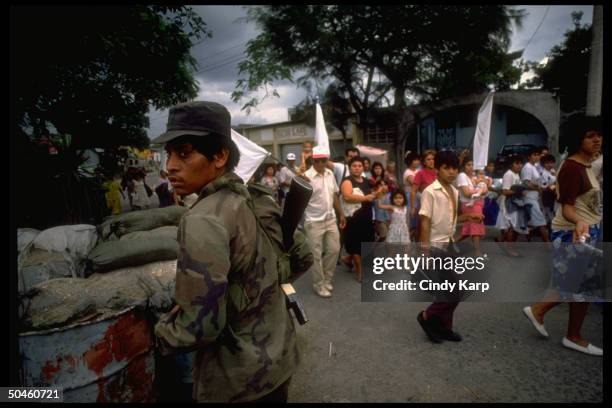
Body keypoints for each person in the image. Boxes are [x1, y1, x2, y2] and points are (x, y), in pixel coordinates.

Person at [152, 101, 308, 402]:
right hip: (279, 361)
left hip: (236, 380)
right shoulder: (258, 199)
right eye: (168, 153)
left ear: (220, 155)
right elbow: (302, 257)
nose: (170, 165)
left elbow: (200, 328)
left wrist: (157, 335)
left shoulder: (203, 218)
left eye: (184, 153)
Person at [523, 115, 603, 356]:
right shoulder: (571, 167)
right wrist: (579, 221)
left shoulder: (589, 164)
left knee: (586, 286)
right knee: (575, 284)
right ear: (578, 139)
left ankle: (573, 334)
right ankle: (540, 312)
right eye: (590, 136)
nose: (597, 139)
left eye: (599, 135)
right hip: (572, 231)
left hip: (587, 230)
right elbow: (566, 206)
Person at [416, 150, 482, 343]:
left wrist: (469, 216)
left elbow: (451, 220)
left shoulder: (453, 191)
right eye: (446, 168)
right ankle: (427, 316)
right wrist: (425, 251)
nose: (452, 172)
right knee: (455, 290)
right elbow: (425, 222)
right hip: (436, 247)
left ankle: (444, 327)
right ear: (437, 168)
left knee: (450, 289)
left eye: (454, 168)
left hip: (450, 244)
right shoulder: (430, 191)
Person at [303, 146, 346, 298]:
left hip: (330, 219)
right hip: (313, 221)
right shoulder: (305, 177)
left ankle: (327, 279)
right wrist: (298, 181)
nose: (321, 163)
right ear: (313, 161)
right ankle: (318, 284)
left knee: (334, 249)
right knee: (315, 255)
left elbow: (334, 196)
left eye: (324, 160)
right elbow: (296, 201)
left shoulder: (330, 174)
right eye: (318, 161)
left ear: (328, 161)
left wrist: (341, 214)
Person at [340, 156, 383, 282]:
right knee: (356, 246)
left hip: (367, 216)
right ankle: (360, 273)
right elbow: (347, 197)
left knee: (367, 243)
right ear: (350, 168)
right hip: (354, 219)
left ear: (363, 167)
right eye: (354, 166)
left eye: (359, 166)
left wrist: (379, 192)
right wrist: (366, 198)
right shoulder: (347, 181)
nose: (357, 168)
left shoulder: (366, 180)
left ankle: (348, 260)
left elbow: (372, 196)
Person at [495, 155, 527, 256]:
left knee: (513, 226)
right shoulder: (508, 174)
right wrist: (519, 192)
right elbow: (505, 191)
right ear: (511, 164)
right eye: (516, 163)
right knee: (512, 227)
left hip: (516, 202)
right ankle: (510, 249)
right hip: (508, 203)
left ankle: (500, 239)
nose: (519, 165)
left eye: (521, 163)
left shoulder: (517, 174)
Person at [455, 157, 486, 256]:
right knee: (475, 226)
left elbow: (485, 187)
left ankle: (453, 243)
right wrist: (480, 191)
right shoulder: (462, 175)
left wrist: (482, 190)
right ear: (464, 166)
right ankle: (477, 252)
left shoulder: (472, 176)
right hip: (469, 205)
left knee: (470, 228)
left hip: (477, 203)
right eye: (468, 165)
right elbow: (467, 193)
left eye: (472, 165)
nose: (471, 167)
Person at [520, 147, 551, 242]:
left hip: (534, 197)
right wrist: (538, 188)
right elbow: (526, 183)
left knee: (533, 221)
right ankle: (548, 245)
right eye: (534, 155)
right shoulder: (528, 167)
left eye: (538, 155)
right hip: (529, 197)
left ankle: (528, 238)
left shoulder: (534, 166)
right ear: (529, 157)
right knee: (541, 221)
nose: (537, 157)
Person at [411, 149, 437, 240]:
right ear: (424, 162)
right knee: (424, 229)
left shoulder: (438, 172)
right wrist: (413, 207)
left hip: (438, 204)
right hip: (425, 204)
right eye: (428, 159)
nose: (431, 161)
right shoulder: (420, 173)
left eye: (433, 159)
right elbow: (414, 191)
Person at [539, 154, 557, 226]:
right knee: (550, 217)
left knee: (553, 216)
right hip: (547, 197)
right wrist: (555, 186)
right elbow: (544, 188)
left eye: (552, 162)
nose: (550, 165)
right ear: (543, 164)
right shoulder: (543, 174)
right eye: (547, 163)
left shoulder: (552, 171)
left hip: (554, 196)